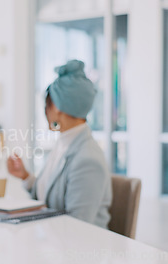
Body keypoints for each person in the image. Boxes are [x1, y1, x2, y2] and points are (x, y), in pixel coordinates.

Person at [7, 59, 112, 228]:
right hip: (54, 241)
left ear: (56, 106)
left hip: (78, 249)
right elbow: (48, 198)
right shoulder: (65, 143)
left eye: (47, 105)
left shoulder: (87, 159)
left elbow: (78, 227)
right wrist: (25, 176)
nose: (45, 112)